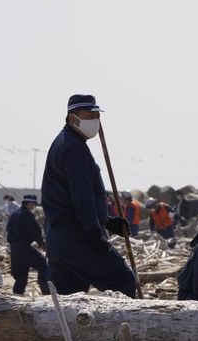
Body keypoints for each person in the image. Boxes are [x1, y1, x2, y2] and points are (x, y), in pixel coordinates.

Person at [41, 94, 136, 298]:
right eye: (88, 115)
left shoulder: (67, 143)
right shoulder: (73, 148)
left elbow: (71, 197)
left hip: (61, 240)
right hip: (77, 236)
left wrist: (107, 221)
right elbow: (82, 196)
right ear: (73, 118)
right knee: (123, 281)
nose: (94, 121)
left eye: (96, 116)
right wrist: (95, 234)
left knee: (67, 298)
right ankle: (116, 329)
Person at [6, 194, 49, 295]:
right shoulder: (27, 215)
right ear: (29, 204)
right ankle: (45, 289)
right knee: (43, 264)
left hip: (14, 249)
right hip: (24, 247)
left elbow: (8, 231)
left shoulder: (13, 215)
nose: (34, 207)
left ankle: (17, 295)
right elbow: (35, 231)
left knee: (21, 275)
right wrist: (41, 243)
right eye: (33, 205)